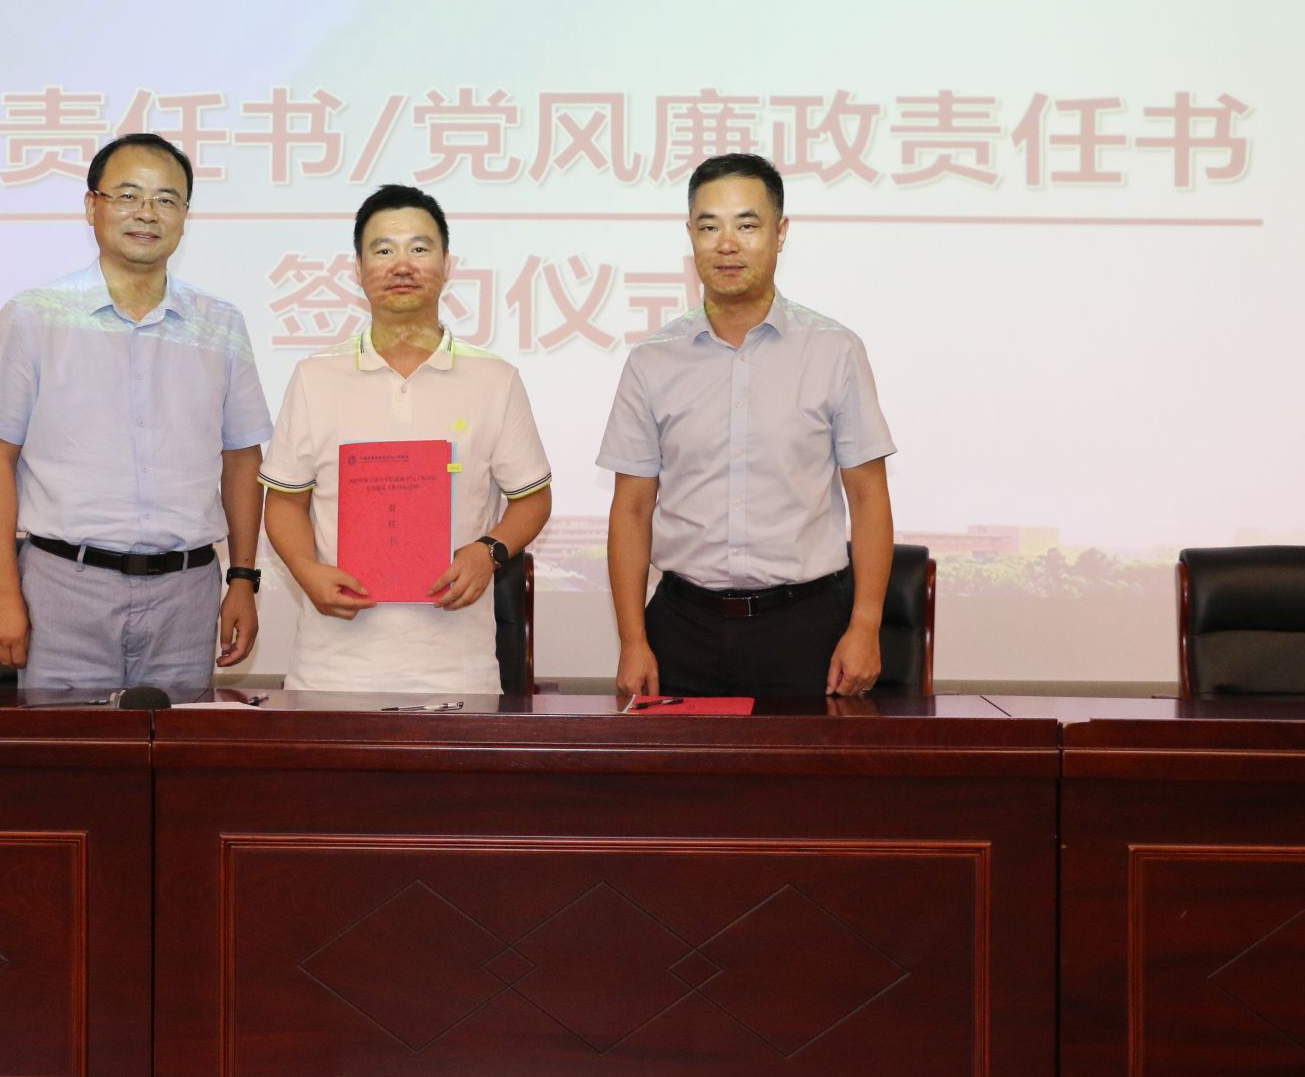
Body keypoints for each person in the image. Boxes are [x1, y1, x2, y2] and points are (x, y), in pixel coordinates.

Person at [0, 133, 271, 689]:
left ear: (185, 216)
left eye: (166, 199)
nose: (146, 213)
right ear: (92, 206)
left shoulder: (220, 324)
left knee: (180, 747)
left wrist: (244, 579)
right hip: (64, 589)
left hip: (188, 593)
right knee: (69, 748)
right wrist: (2, 592)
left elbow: (243, 459)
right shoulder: (34, 317)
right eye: (128, 195)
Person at [598, 152, 896, 697]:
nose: (727, 244)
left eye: (747, 225)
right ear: (690, 235)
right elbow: (632, 508)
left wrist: (865, 626)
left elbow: (868, 496)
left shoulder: (834, 350)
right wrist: (632, 640)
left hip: (806, 628)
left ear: (780, 233)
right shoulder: (652, 361)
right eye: (709, 226)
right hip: (682, 630)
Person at [261, 185, 552, 693]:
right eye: (383, 250)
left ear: (446, 264)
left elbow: (533, 499)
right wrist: (306, 570)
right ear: (358, 269)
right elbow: (285, 502)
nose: (402, 265)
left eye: (419, 248)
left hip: (457, 672)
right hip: (331, 669)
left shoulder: (495, 379)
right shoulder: (314, 376)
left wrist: (488, 551)